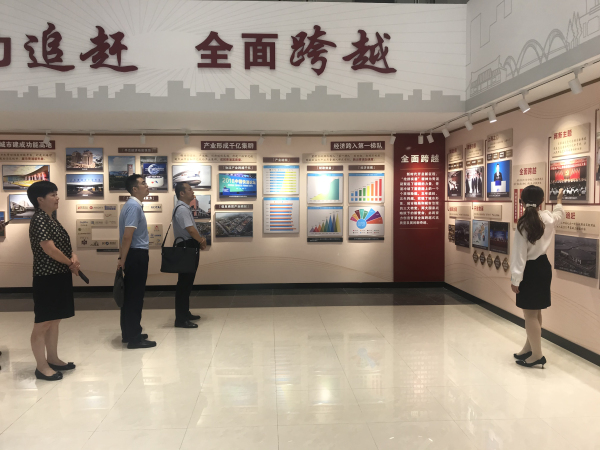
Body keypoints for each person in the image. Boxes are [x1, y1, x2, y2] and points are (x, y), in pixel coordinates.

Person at [27, 181, 80, 381]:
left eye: (56, 194)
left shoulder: (52, 218)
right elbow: (49, 248)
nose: (57, 198)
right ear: (40, 200)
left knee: (55, 319)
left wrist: (73, 257)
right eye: (52, 195)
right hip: (47, 277)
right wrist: (70, 263)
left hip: (59, 275)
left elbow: (64, 245)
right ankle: (41, 366)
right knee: (43, 322)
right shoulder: (39, 219)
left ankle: (53, 358)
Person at [510, 185, 564, 369]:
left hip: (529, 270)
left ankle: (537, 355)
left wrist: (515, 279)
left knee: (530, 314)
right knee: (535, 312)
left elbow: (519, 255)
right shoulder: (547, 218)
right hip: (543, 267)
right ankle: (529, 348)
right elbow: (559, 215)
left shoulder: (524, 223)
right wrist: (558, 201)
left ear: (522, 201)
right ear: (542, 201)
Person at [118, 174, 156, 349]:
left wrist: (122, 258)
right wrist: (122, 259)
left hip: (132, 254)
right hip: (136, 254)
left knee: (130, 296)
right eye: (143, 183)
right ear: (134, 189)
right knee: (135, 297)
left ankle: (129, 333)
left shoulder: (132, 205)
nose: (147, 186)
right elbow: (127, 236)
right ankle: (134, 338)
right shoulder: (134, 206)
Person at [172, 182, 207, 328]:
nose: (192, 192)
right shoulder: (181, 209)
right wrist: (201, 241)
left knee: (187, 283)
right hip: (186, 247)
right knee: (184, 283)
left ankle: (185, 313)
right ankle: (181, 319)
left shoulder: (184, 208)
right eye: (189, 189)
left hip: (188, 247)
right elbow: (191, 230)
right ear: (181, 193)